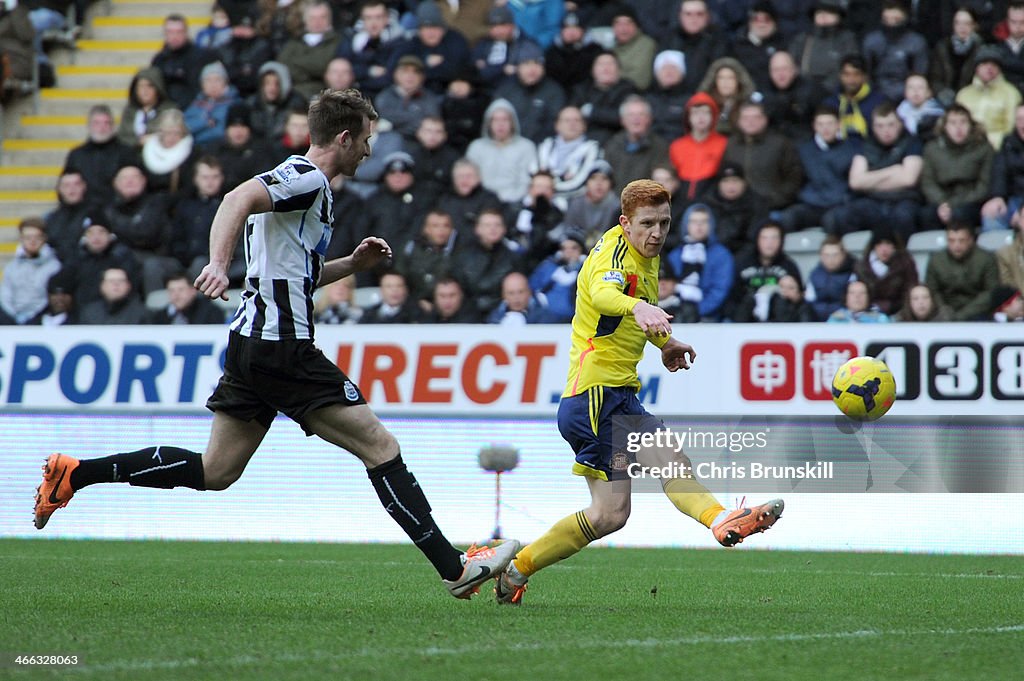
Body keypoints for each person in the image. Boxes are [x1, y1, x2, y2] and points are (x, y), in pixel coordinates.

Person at [34, 88, 519, 598]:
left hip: (251, 343)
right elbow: (234, 199)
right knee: (380, 446)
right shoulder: (305, 177)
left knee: (216, 470)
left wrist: (352, 266)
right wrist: (218, 264)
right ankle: (454, 569)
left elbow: (295, 273)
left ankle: (75, 474)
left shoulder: (306, 188)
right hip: (282, 345)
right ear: (345, 137)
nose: (370, 152)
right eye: (367, 140)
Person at [493, 180, 783, 606]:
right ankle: (721, 519)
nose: (657, 232)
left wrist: (665, 343)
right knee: (650, 474)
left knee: (613, 512)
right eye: (647, 223)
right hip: (594, 396)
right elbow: (604, 294)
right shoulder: (612, 254)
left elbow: (637, 312)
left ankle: (516, 571)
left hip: (613, 396)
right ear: (624, 222)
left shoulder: (648, 256)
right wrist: (638, 307)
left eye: (665, 222)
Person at [918, 104, 993, 231]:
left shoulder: (983, 148)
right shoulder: (932, 148)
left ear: (971, 125)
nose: (958, 128)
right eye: (953, 123)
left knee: (959, 214)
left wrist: (954, 205)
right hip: (941, 200)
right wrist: (942, 203)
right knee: (925, 215)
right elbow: (928, 182)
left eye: (963, 122)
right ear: (945, 126)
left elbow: (984, 185)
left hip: (971, 202)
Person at [925, 221, 1000, 320]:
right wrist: (944, 310)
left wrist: (962, 315)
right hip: (943, 312)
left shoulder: (986, 259)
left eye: (961, 240)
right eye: (951, 241)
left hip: (978, 312)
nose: (956, 245)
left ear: (971, 240)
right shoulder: (936, 260)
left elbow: (991, 292)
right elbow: (932, 290)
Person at [955, 45, 1022, 150]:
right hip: (966, 148)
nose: (989, 68)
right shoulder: (963, 94)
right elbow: (956, 124)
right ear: (977, 68)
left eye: (994, 64)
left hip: (998, 149)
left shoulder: (1011, 93)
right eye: (984, 64)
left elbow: (1011, 129)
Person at [0, 219, 63, 325]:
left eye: (37, 237)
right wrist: (13, 317)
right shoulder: (11, 267)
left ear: (44, 239)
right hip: (11, 319)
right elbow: (5, 295)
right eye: (28, 237)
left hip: (42, 320)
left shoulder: (54, 267)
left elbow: (50, 299)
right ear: (21, 239)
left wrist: (33, 318)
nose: (32, 241)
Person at [853, 229, 919, 316]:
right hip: (867, 315)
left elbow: (911, 291)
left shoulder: (906, 264)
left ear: (894, 246)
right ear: (874, 246)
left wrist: (891, 306)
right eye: (879, 244)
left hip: (900, 314)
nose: (884, 249)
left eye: (888, 244)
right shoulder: (862, 266)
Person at [805, 235, 856, 320]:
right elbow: (809, 301)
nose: (831, 259)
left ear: (843, 255)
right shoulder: (814, 275)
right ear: (820, 256)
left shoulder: (853, 273)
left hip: (844, 321)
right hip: (817, 321)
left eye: (835, 255)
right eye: (826, 255)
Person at [78, 266, 149, 325]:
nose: (116, 284)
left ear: (128, 286)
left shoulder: (141, 313)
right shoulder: (89, 312)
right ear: (102, 286)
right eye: (111, 281)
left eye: (121, 280)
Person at [148, 271, 227, 324]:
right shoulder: (160, 316)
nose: (176, 295)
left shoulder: (210, 312)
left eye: (181, 290)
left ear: (193, 291)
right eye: (171, 291)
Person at [487, 271, 555, 324]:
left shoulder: (544, 317)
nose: (516, 298)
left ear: (529, 292)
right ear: (504, 296)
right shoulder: (495, 318)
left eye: (520, 292)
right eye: (511, 293)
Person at [827, 279, 892, 322]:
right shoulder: (835, 318)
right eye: (852, 293)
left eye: (862, 293)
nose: (857, 296)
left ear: (868, 297)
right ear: (846, 297)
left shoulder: (880, 319)